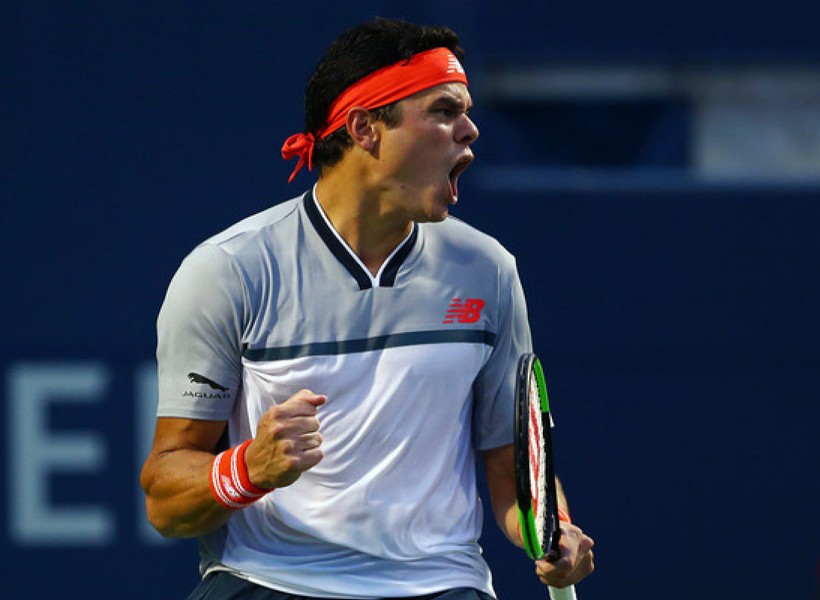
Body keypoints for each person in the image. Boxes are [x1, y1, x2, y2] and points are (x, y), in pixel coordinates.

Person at [140, 17, 594, 600]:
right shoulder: (230, 271)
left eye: (466, 111)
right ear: (365, 129)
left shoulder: (488, 270)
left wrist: (555, 532)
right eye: (444, 110)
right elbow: (165, 503)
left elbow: (516, 472)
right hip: (267, 581)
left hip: (441, 584)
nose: (470, 130)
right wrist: (249, 467)